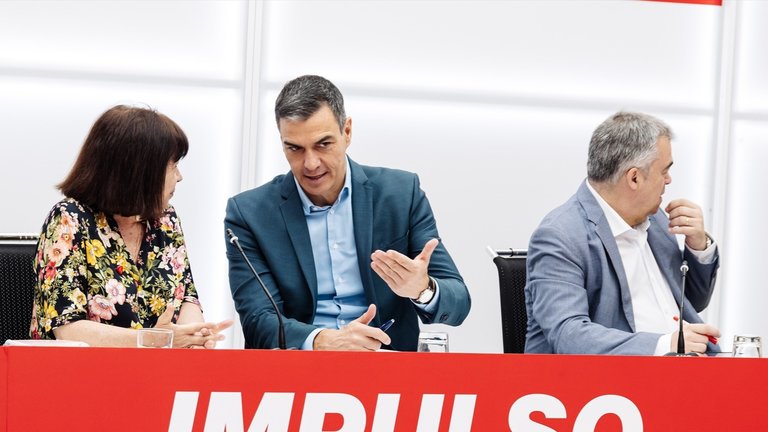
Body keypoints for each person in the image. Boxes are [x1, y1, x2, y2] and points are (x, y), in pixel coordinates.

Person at [225, 75, 471, 351]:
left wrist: (422, 289)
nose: (310, 163)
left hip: (387, 369)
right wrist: (323, 340)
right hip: (296, 370)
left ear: (347, 132)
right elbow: (258, 321)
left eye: (323, 144)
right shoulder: (249, 213)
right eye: (294, 148)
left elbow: (459, 303)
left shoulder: (401, 194)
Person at [30, 105, 232, 348]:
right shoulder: (69, 219)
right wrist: (155, 341)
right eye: (173, 165)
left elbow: (185, 297)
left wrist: (194, 337)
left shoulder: (165, 219)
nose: (179, 177)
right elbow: (68, 329)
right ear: (140, 171)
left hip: (156, 377)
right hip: (79, 377)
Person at [525, 111, 720, 355]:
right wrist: (665, 345)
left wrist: (698, 247)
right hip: (613, 383)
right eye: (664, 171)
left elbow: (693, 302)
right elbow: (569, 335)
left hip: (689, 367)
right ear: (634, 178)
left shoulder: (656, 219)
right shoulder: (560, 236)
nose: (669, 180)